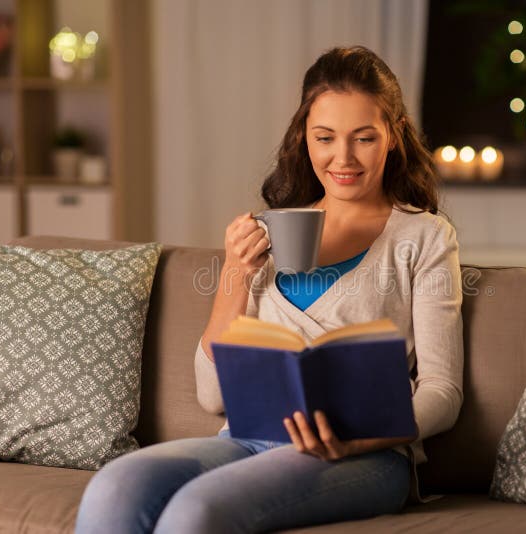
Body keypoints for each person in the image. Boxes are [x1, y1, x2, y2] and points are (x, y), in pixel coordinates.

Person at [75, 45, 463, 534]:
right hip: (247, 437)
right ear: (304, 137)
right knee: (116, 485)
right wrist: (236, 272)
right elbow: (214, 395)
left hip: (367, 456)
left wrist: (357, 437)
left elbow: (443, 393)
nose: (342, 158)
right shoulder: (268, 231)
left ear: (394, 135)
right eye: (325, 138)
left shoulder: (423, 237)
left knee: (196, 510)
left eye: (363, 138)